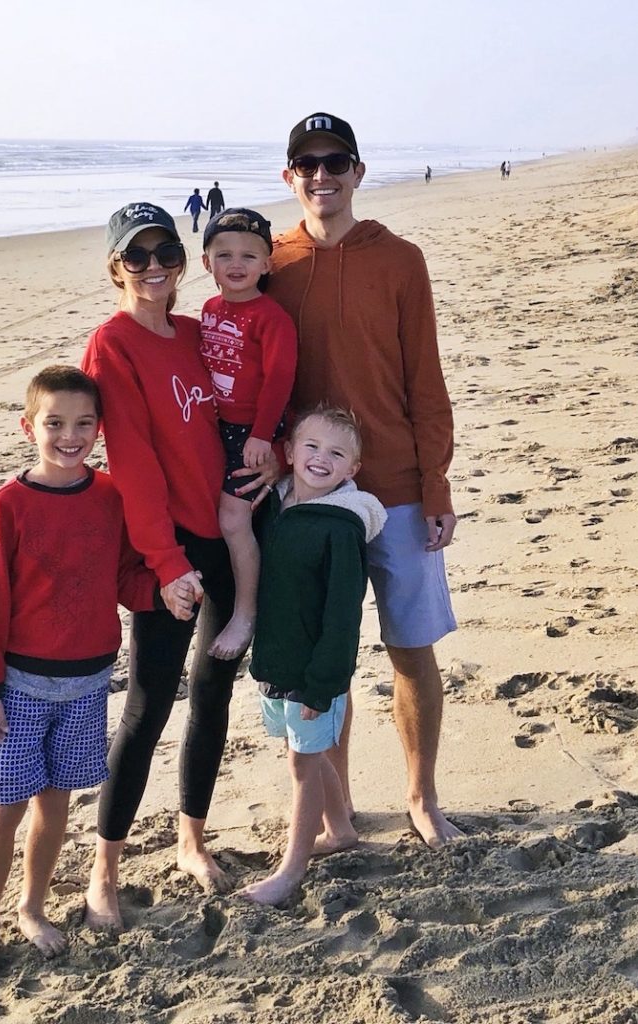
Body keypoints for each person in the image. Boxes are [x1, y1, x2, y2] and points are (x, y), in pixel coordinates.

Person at [79, 203, 277, 929]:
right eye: (137, 256)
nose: (155, 265)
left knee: (214, 691)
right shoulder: (113, 346)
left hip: (231, 537)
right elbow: (131, 464)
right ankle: (104, 869)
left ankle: (191, 838)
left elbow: (252, 410)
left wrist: (276, 455)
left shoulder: (200, 334)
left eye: (165, 249)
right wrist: (165, 564)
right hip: (169, 552)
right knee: (149, 703)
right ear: (116, 268)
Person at [266, 111, 460, 849]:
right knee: (329, 659)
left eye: (335, 161)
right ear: (290, 176)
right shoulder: (272, 263)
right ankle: (333, 811)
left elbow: (427, 381)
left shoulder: (401, 260)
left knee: (411, 647)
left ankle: (421, 795)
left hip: (401, 486)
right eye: (307, 163)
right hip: (312, 500)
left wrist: (436, 484)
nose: (322, 175)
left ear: (357, 172)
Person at [0, 365, 160, 988]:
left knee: (56, 801)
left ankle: (31, 907)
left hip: (88, 682)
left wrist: (169, 591)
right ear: (29, 428)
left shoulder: (109, 497)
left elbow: (125, 576)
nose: (69, 436)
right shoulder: (9, 505)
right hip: (18, 687)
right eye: (54, 424)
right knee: (5, 806)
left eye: (82, 424)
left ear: (99, 429)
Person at [240, 407, 386, 905]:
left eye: (337, 453)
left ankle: (290, 870)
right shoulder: (276, 506)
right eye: (312, 447)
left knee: (302, 765)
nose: (321, 459)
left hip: (314, 674)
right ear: (289, 453)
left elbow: (344, 615)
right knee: (304, 751)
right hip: (277, 662)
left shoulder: (343, 526)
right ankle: (340, 829)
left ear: (353, 469)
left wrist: (325, 683)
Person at [198, 208, 297, 659]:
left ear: (266, 264)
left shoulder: (270, 316)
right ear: (207, 263)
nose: (235, 264)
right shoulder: (209, 309)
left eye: (248, 255)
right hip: (218, 427)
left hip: (255, 429)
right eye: (224, 255)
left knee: (233, 520)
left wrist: (262, 436)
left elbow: (279, 379)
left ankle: (245, 613)